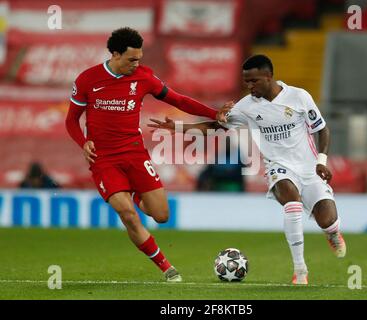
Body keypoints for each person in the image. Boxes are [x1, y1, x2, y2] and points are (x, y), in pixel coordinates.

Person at [149, 54, 347, 285]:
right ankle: (300, 270)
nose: (250, 87)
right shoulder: (246, 106)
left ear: (269, 76)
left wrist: (321, 160)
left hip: (308, 168)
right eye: (246, 82)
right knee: (292, 206)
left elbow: (322, 129)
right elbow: (216, 126)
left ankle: (332, 233)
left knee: (328, 219)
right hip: (279, 167)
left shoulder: (299, 97)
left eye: (254, 81)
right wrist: (179, 127)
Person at [65, 27, 231, 282]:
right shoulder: (88, 79)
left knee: (162, 216)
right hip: (104, 159)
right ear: (116, 54)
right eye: (132, 59)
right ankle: (166, 267)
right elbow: (71, 121)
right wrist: (83, 142)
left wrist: (214, 113)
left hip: (134, 153)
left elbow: (178, 100)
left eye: (139, 58)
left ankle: (132, 189)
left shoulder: (144, 77)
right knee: (127, 213)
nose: (137, 64)